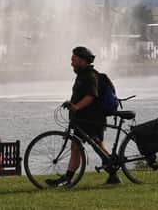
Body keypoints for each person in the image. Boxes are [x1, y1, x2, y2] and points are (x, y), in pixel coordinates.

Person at [46, 46, 121, 187]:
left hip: (92, 119)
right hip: (83, 119)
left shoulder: (90, 75)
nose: (71, 63)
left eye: (74, 60)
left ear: (82, 61)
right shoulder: (83, 75)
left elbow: (91, 96)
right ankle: (68, 178)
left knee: (96, 146)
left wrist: (76, 107)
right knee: (76, 146)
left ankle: (113, 174)